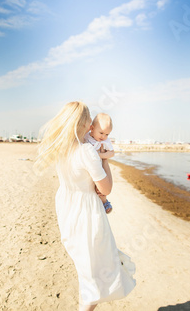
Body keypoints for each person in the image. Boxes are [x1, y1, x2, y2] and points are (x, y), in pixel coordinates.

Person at [35, 102, 136, 311]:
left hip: (67, 211)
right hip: (88, 214)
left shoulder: (62, 150)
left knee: (87, 271)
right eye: (89, 119)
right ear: (84, 124)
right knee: (95, 276)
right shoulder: (87, 152)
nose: (91, 123)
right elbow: (106, 188)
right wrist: (105, 160)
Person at [85, 113, 115, 214]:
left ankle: (104, 202)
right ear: (92, 128)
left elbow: (112, 153)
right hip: (89, 165)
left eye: (107, 134)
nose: (104, 137)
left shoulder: (106, 142)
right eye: (101, 133)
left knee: (101, 186)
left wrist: (100, 156)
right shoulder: (86, 137)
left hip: (100, 165)